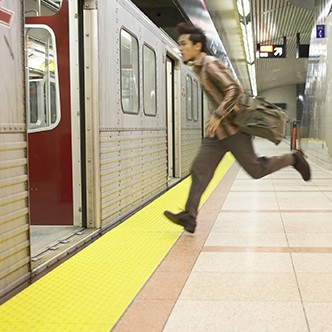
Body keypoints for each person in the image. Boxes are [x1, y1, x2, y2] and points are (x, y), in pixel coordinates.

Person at [164, 22, 311, 234]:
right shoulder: (198, 68)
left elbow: (234, 89)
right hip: (216, 134)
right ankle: (190, 215)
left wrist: (217, 114)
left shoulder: (210, 65)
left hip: (234, 130)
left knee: (256, 170)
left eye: (184, 43)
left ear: (197, 46)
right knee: (199, 170)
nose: (181, 47)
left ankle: (294, 158)